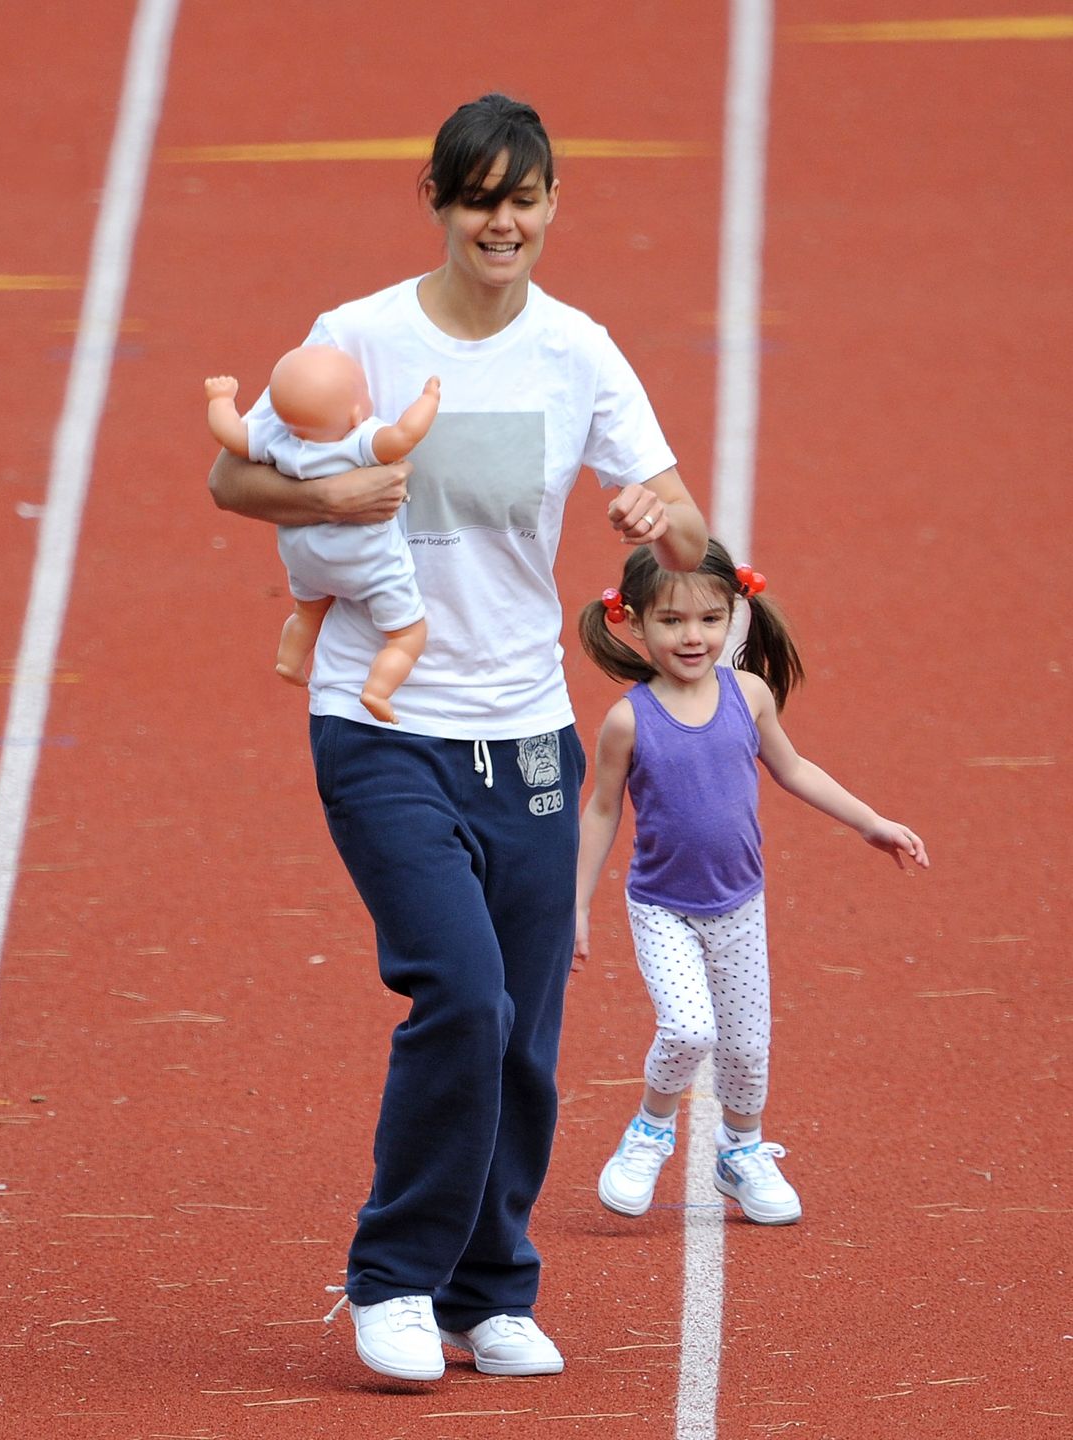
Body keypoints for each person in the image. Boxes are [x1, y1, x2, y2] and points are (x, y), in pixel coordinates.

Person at [207, 92, 707, 1383]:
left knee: (527, 1025)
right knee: (463, 992)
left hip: (527, 733)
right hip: (382, 722)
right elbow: (232, 478)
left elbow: (692, 533)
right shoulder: (358, 337)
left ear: (551, 208)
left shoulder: (578, 354)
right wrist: (344, 487)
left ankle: (491, 1292)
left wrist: (665, 516)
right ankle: (392, 1278)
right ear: (435, 203)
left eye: (526, 197)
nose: (505, 220)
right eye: (480, 195)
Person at [574, 539, 929, 1226]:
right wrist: (577, 903)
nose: (692, 636)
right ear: (635, 622)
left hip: (738, 906)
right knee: (687, 1031)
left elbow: (794, 770)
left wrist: (870, 822)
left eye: (709, 619)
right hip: (662, 907)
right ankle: (650, 1130)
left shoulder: (750, 695)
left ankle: (739, 1153)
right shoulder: (628, 720)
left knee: (744, 1047)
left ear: (734, 614)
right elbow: (601, 809)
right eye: (672, 621)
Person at [204, 348, 441, 720]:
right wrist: (428, 399)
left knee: (307, 612)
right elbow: (404, 435)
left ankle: (290, 659)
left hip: (305, 558)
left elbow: (231, 434)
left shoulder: (277, 439)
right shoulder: (359, 440)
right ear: (355, 412)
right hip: (366, 565)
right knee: (408, 636)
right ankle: (378, 690)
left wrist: (220, 400)